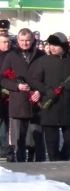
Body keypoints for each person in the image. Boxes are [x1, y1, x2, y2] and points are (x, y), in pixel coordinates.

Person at [29, 32, 70, 161]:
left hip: (68, 107)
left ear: (63, 46)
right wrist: (46, 90)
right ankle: (55, 164)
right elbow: (35, 80)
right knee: (51, 143)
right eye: (50, 44)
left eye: (56, 45)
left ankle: (63, 159)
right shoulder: (43, 61)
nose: (52, 47)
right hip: (50, 105)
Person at [1, 29, 45, 162]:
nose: (25, 43)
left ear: (33, 40)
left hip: (37, 102)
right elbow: (2, 78)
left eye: (28, 40)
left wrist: (40, 91)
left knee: (37, 138)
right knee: (19, 138)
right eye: (22, 40)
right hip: (19, 102)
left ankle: (40, 165)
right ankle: (21, 165)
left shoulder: (41, 55)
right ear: (18, 41)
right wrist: (17, 86)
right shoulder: (12, 56)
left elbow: (47, 78)